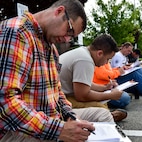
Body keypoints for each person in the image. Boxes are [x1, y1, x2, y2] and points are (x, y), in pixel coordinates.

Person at [0, 0, 114, 141]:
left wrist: (70, 116)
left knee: (101, 116)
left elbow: (57, 93)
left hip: (49, 119)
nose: (66, 39)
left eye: (71, 37)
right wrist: (58, 130)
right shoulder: (16, 32)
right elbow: (5, 103)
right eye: (69, 30)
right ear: (59, 11)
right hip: (17, 129)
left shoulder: (51, 47)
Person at [59, 34, 128, 122]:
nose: (106, 63)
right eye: (107, 59)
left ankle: (108, 115)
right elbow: (82, 96)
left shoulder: (83, 53)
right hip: (60, 100)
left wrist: (105, 87)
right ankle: (108, 116)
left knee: (100, 103)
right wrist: (111, 95)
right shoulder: (85, 60)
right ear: (99, 53)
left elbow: (83, 83)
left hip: (59, 96)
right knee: (99, 106)